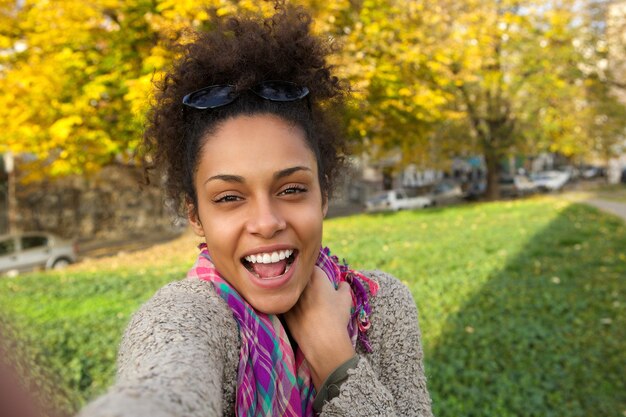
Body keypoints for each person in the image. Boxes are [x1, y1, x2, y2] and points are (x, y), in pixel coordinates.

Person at [79, 3, 433, 416]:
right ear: (195, 215)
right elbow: (164, 381)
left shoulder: (383, 304)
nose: (266, 222)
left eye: (292, 189)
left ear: (323, 193)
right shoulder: (186, 315)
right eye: (229, 197)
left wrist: (336, 361)